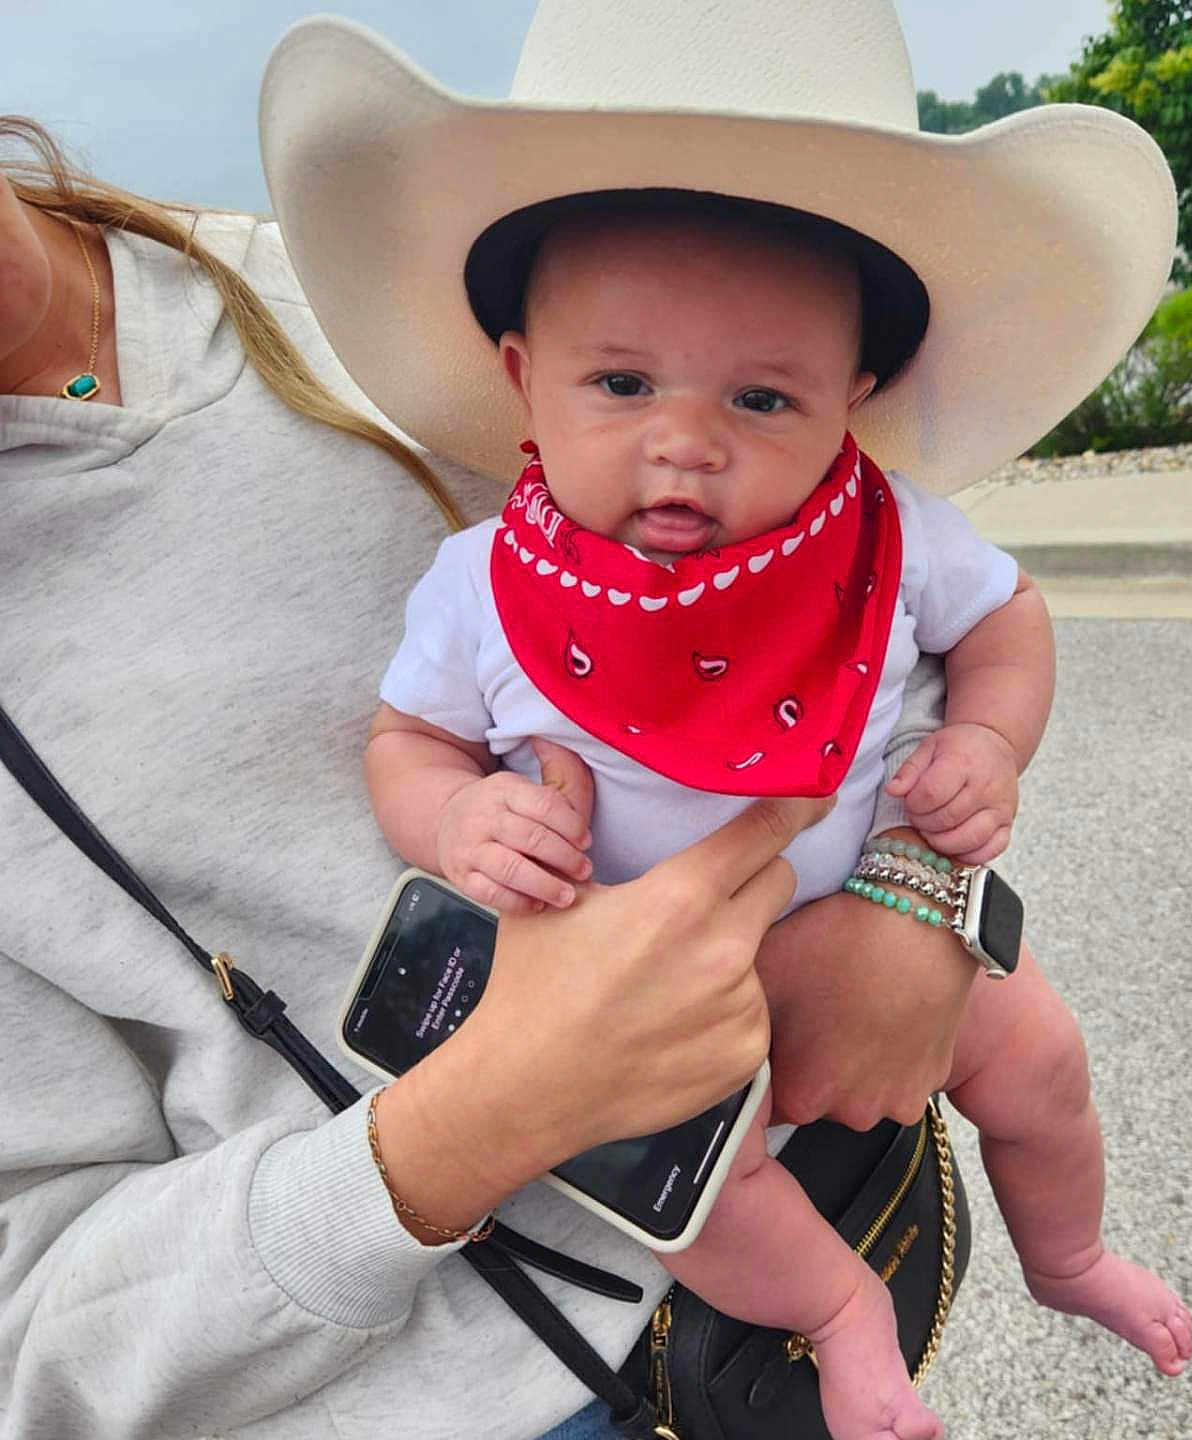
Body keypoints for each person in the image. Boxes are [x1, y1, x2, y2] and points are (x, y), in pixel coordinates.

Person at [259, 1, 1192, 1425]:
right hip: (651, 1004)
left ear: (855, 399)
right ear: (521, 375)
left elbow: (1008, 623)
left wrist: (989, 741)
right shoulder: (483, 587)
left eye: (763, 397)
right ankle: (841, 1311)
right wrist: (459, 814)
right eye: (621, 383)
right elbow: (411, 740)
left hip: (884, 928)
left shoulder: (892, 537)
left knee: (1044, 1056)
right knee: (689, 1178)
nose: (685, 441)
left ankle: (1066, 1254)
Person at [0, 109, 983, 1440]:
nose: (680, 441)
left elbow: (863, 581)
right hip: (476, 1397)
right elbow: (33, 1331)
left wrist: (917, 893)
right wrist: (479, 1124)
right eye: (627, 394)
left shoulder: (369, 292)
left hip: (840, 1158)